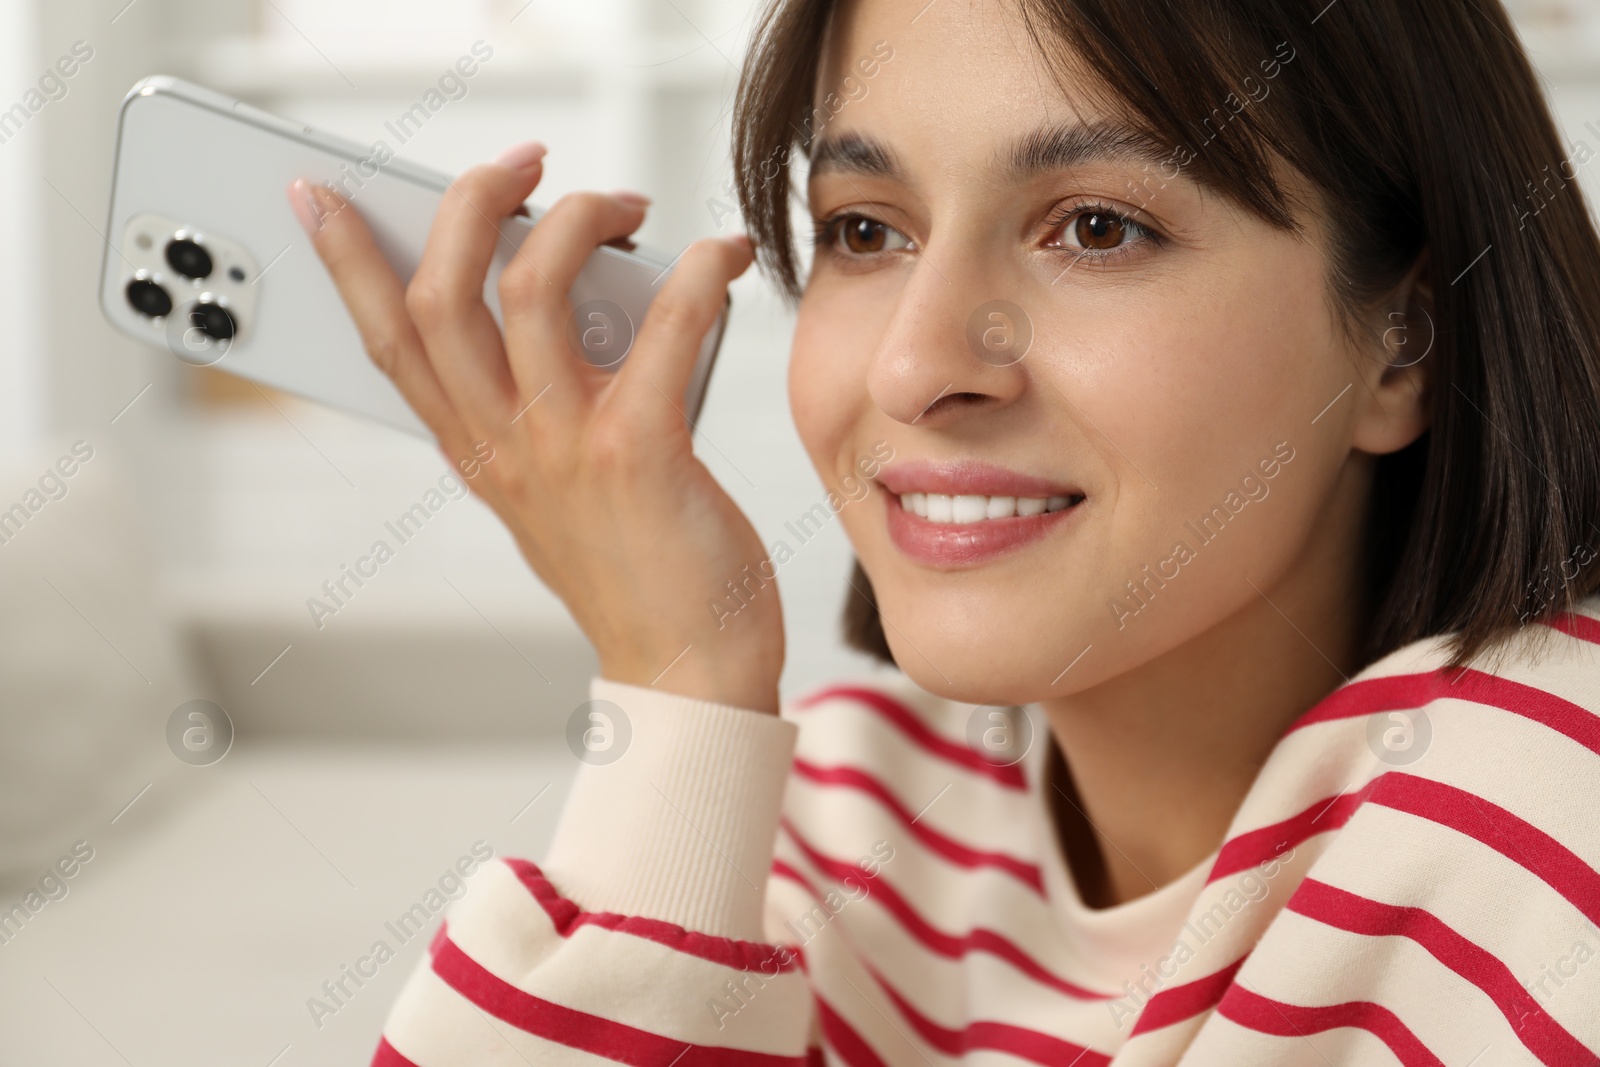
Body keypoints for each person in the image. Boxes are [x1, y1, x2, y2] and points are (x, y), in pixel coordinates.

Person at [287, 0, 1600, 1061]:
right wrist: (676, 679)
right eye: (867, 230)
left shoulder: (1538, 811)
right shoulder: (865, 815)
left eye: (1097, 227)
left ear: (1401, 346)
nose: (916, 365)